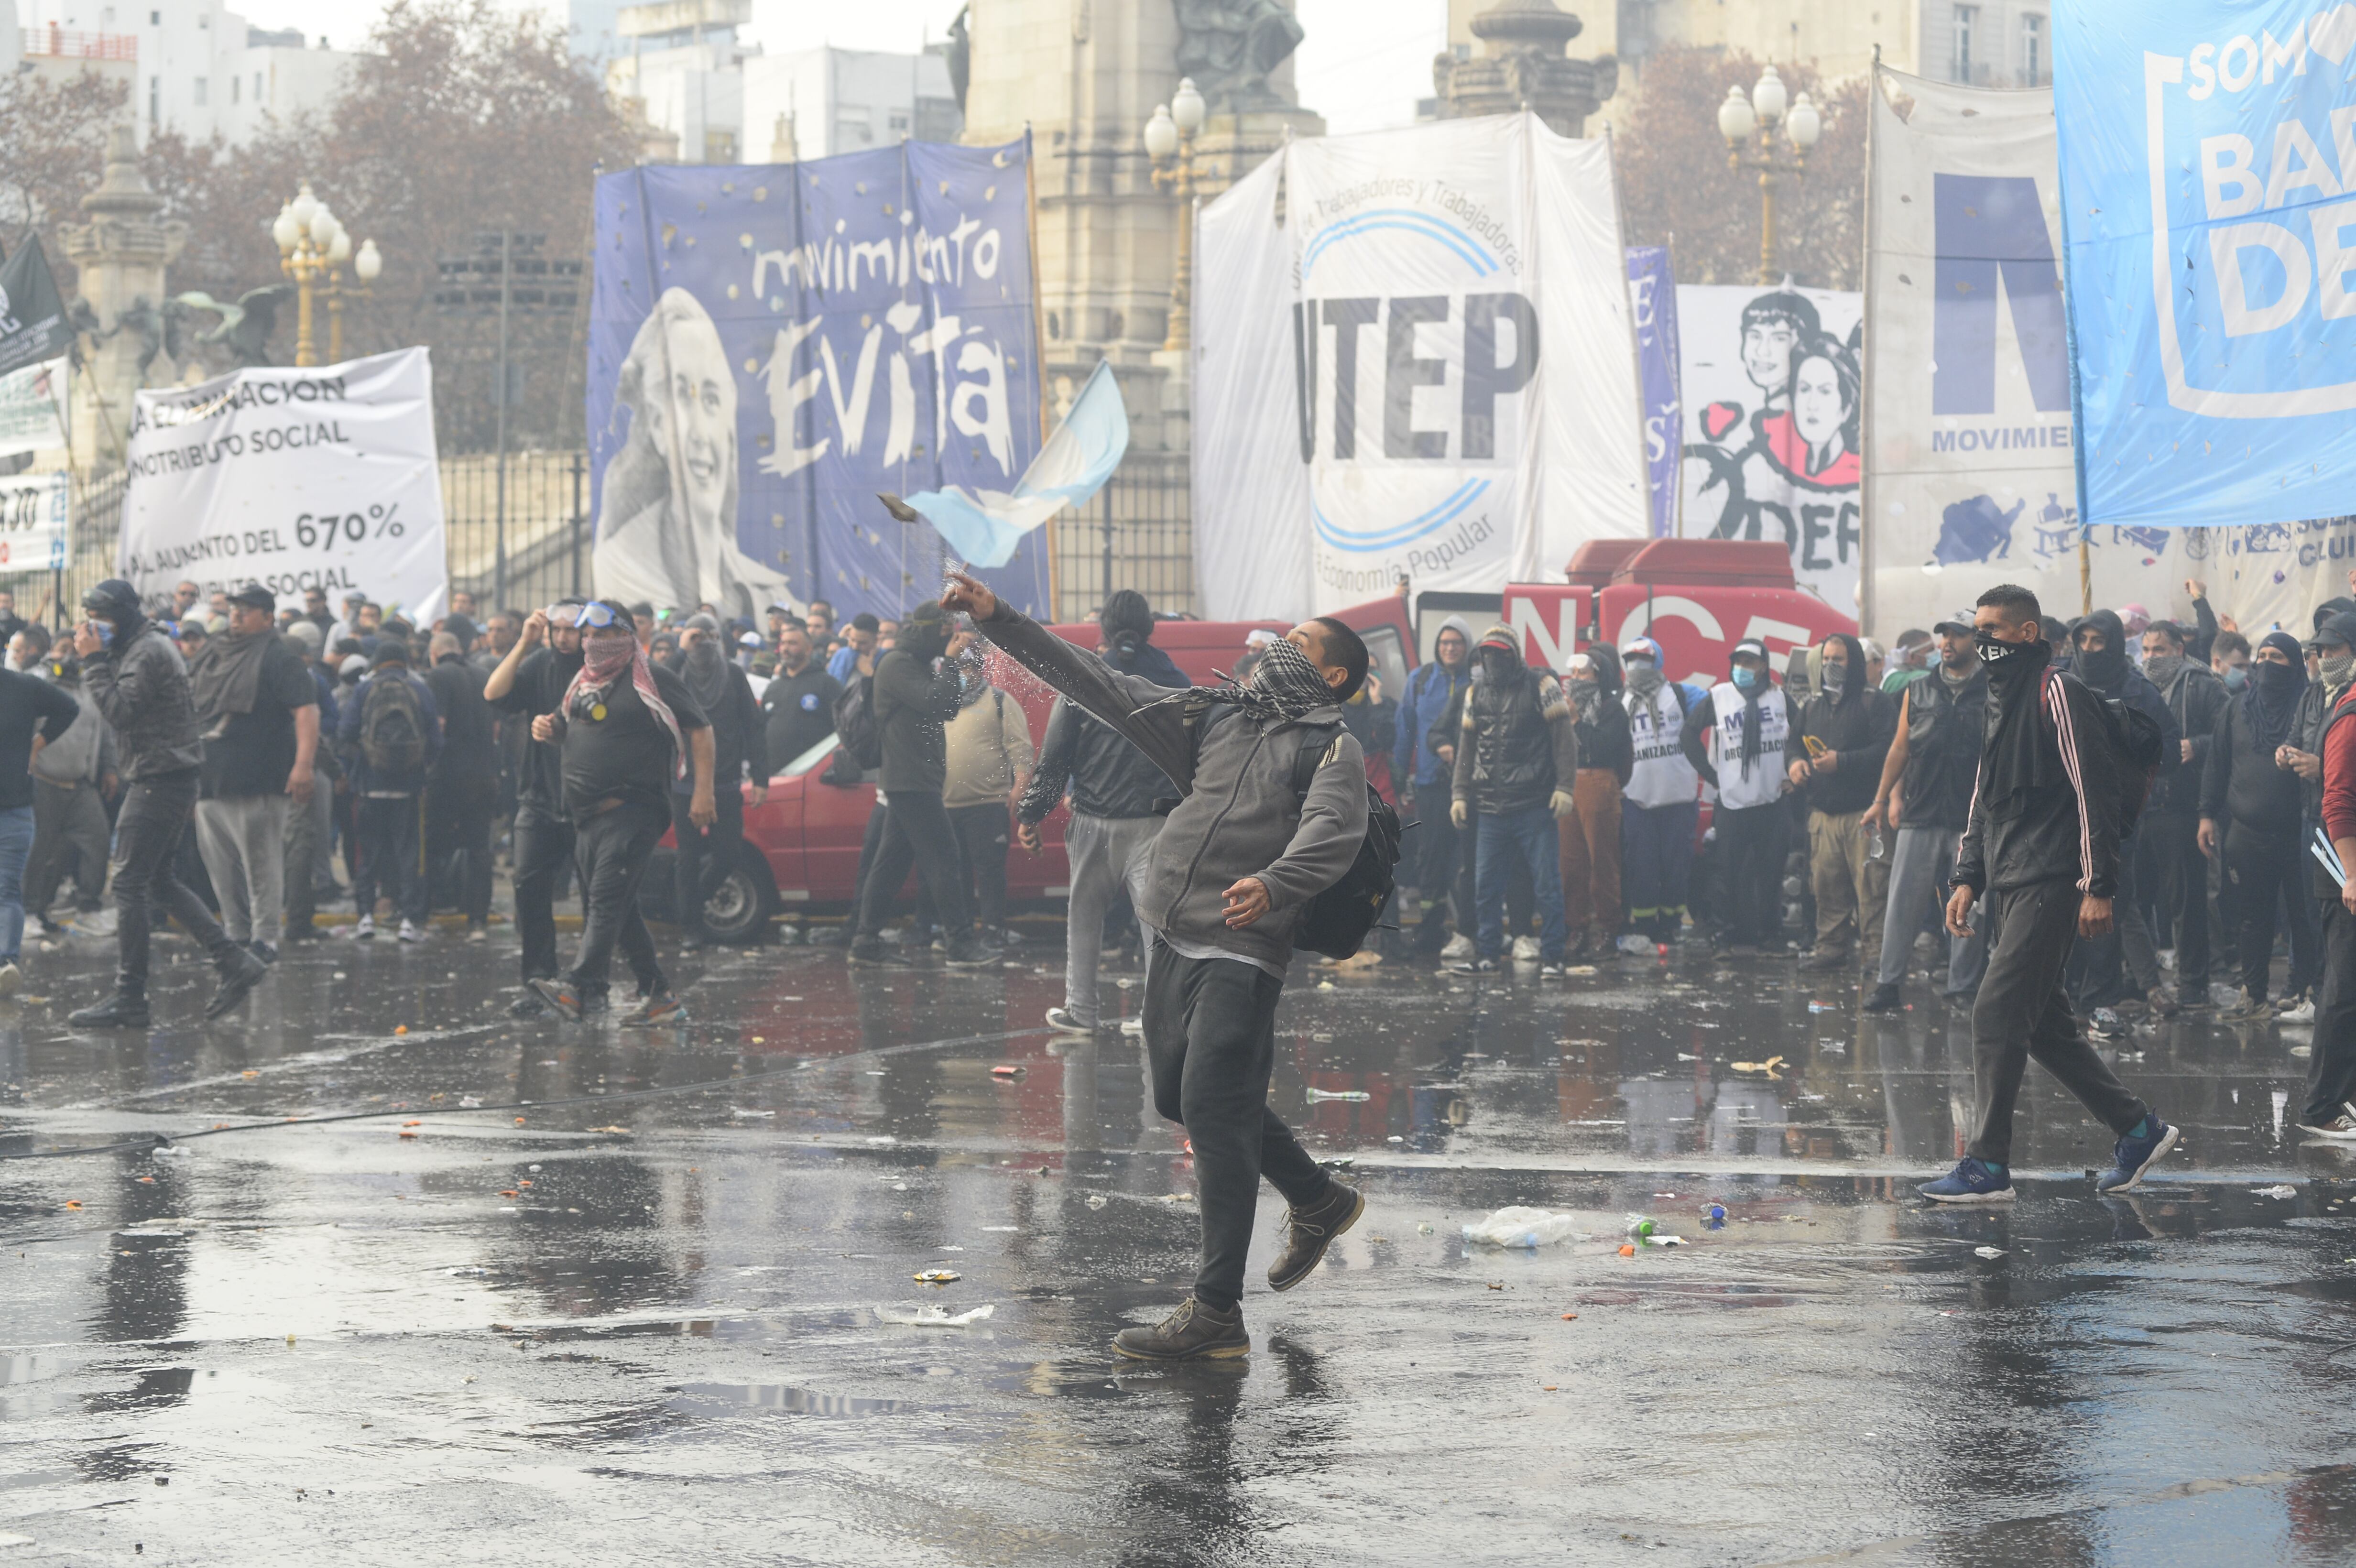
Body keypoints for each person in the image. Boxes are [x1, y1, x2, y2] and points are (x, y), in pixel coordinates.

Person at [942, 567, 1371, 1363]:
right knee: (1181, 1098)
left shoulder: (1330, 746)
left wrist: (1273, 883)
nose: (1280, 646)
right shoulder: (1214, 717)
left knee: (1213, 1105)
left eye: (1302, 642)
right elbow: (1096, 682)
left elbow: (1333, 831)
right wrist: (1001, 618)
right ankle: (1315, 1197)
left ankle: (1214, 1313)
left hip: (1241, 950)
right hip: (1170, 931)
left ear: (1333, 675)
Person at [1925, 583, 2178, 1203]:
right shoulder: (1999, 699)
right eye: (1976, 628)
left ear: (2027, 633)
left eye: (1993, 629)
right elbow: (1985, 799)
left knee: (1995, 1011)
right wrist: (1967, 876)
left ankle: (1986, 1164)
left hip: (2055, 878)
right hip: (2010, 880)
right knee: (2042, 1028)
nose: (1983, 641)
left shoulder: (2057, 691)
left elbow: (2094, 789)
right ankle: (2138, 1130)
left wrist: (2098, 884)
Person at [67, 580, 270, 1027]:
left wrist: (94, 662)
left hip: (161, 776)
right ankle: (232, 961)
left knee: (128, 883)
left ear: (120, 615)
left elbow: (120, 711)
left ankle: (130, 997)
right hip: (162, 772)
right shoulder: (138, 644)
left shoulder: (149, 651)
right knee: (158, 880)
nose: (94, 627)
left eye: (100, 619)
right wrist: (94, 656)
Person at [528, 599, 713, 1024]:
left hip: (634, 811)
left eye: (606, 635)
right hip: (588, 818)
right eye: (590, 635)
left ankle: (576, 986)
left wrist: (704, 791)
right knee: (620, 908)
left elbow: (701, 729)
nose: (595, 643)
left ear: (627, 637)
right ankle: (659, 995)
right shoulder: (583, 682)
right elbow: (564, 727)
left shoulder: (654, 680)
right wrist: (549, 728)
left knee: (607, 902)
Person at [1020, 588, 1189, 1033]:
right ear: (1151, 628)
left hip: (1095, 818)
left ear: (1105, 631)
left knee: (1085, 916)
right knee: (1157, 923)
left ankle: (1082, 1012)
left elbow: (1056, 755)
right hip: (1158, 821)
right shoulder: (1176, 679)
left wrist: (1031, 815)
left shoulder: (1085, 677)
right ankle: (1158, 1016)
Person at [593, 288, 796, 619]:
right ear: (657, 425)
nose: (702, 433)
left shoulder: (770, 593)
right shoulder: (622, 561)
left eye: (712, 400)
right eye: (684, 397)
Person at [850, 603, 996, 966]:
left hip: (916, 778)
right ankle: (960, 943)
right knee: (945, 856)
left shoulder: (916, 663)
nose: (953, 640)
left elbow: (944, 706)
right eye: (948, 633)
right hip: (910, 781)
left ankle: (865, 942)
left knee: (891, 863)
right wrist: (950, 662)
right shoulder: (897, 664)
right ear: (931, 630)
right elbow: (940, 703)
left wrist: (947, 662)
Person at [188, 582, 319, 963]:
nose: (237, 615)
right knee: (220, 869)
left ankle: (265, 938)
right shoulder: (214, 651)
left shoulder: (279, 656)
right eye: (234, 609)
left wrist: (304, 765)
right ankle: (236, 935)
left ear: (267, 616)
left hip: (258, 779)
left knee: (262, 866)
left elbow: (306, 711)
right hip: (210, 779)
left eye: (246, 609)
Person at [1863, 614, 1988, 1012]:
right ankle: (1888, 983)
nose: (1948, 642)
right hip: (1921, 811)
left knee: (1968, 905)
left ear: (1976, 641)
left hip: (1971, 819)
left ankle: (1962, 987)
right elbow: (1901, 749)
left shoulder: (1993, 690)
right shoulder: (1919, 691)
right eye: (1944, 636)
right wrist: (1884, 799)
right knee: (1904, 903)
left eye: (1958, 635)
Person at [2063, 610, 2180, 1031]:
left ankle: (2099, 1002)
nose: (2091, 650)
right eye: (2085, 641)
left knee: (2106, 916)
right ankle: (2064, 1004)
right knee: (2062, 914)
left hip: (2116, 824)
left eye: (2100, 642)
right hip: (2062, 821)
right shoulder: (2062, 682)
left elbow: (2166, 750)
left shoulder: (2139, 691)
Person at [2201, 630, 2320, 1021]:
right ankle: (2253, 996)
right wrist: (2206, 815)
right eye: (2263, 655)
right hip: (2247, 833)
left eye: (2279, 657)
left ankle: (2303, 991)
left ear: (2296, 665)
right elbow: (2217, 765)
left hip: (2298, 832)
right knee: (2253, 917)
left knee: (2303, 917)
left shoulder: (2308, 708)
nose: (2268, 664)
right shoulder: (2237, 709)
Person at [485, 601, 593, 1015]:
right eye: (557, 630)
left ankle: (588, 982)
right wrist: (524, 643)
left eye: (572, 630)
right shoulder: (537, 664)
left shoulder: (598, 670)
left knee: (594, 896)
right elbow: (493, 694)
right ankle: (538, 982)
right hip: (538, 796)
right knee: (529, 887)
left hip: (587, 802)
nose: (564, 638)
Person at [1450, 626, 1577, 975]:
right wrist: (1459, 794)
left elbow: (1563, 739)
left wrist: (1566, 787)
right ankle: (1488, 955)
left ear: (1515, 653)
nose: (1493, 658)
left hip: (1535, 805)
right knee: (1486, 888)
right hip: (1490, 809)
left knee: (1547, 885)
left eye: (1500, 651)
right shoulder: (1475, 693)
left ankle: (1553, 957)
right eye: (1487, 652)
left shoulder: (1542, 685)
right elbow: (1467, 748)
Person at [1790, 632, 1898, 973]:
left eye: (1838, 660)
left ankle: (1875, 955)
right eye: (1825, 660)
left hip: (1864, 815)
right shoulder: (1812, 705)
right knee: (1826, 888)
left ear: (1853, 663)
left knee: (1872, 890)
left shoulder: (1874, 702)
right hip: (1823, 816)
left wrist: (1843, 762)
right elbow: (1792, 744)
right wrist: (1795, 764)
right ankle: (1831, 949)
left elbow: (1889, 750)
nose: (1830, 666)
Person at [1683, 639, 1791, 954]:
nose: (1742, 668)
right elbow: (1689, 734)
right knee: (1725, 875)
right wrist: (1711, 774)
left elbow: (1802, 732)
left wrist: (1795, 772)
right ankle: (1722, 938)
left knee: (1771, 876)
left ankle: (1771, 936)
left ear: (1763, 667)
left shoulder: (1780, 697)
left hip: (1772, 801)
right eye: (1738, 661)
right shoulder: (1719, 697)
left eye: (1750, 662)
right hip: (1732, 803)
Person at [2139, 619, 2226, 1013]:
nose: (2151, 658)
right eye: (2146, 650)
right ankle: (2139, 978)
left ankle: (2193, 984)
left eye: (2159, 650)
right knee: (2139, 898)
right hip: (2142, 807)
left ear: (2178, 650)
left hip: (2182, 806)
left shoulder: (2201, 684)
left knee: (2185, 900)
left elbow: (2230, 736)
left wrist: (2199, 745)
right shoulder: (2137, 686)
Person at [670, 613, 766, 947]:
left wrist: (760, 776)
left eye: (713, 636)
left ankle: (691, 905)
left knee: (729, 854)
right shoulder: (678, 674)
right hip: (684, 782)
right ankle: (691, 929)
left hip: (726, 781)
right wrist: (683, 646)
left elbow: (753, 727)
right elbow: (654, 689)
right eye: (699, 637)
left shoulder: (734, 674)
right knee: (688, 855)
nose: (706, 643)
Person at [2280, 614, 2356, 1027]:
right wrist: (2288, 753)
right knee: (2315, 916)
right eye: (2321, 650)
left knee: (2340, 930)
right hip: (2316, 819)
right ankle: (2322, 1000)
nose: (2326, 657)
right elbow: (2296, 736)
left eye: (2335, 649)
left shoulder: (2351, 698)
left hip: (2342, 829)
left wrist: (2322, 767)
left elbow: (2345, 775)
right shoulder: (2315, 696)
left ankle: (2333, 1012)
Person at [338, 641, 442, 943]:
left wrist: (365, 757)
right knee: (409, 855)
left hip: (369, 788)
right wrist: (420, 765)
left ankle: (366, 918)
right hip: (409, 790)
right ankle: (409, 920)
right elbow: (436, 740)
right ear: (405, 662)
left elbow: (345, 733)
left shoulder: (364, 690)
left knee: (367, 856)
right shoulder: (420, 690)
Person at [0, 634, 83, 991]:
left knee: (6, 889)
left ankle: (6, 963)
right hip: (16, 806)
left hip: (14, 808)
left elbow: (69, 708)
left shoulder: (23, 686)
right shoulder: (22, 685)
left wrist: (40, 742)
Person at [941, 631, 1033, 949]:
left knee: (990, 872)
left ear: (979, 670)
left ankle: (993, 930)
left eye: (968, 670)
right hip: (946, 807)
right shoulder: (941, 703)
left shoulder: (998, 701)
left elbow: (1021, 751)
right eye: (959, 670)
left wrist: (1019, 788)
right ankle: (964, 933)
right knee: (957, 874)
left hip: (988, 804)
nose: (964, 677)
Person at [1396, 618, 1474, 961]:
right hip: (1430, 786)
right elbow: (1404, 731)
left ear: (1467, 646)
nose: (1450, 648)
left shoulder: (1479, 679)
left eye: (1457, 642)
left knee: (1468, 862)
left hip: (1472, 788)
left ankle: (1469, 931)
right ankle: (1429, 932)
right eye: (1445, 642)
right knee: (1431, 862)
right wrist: (1400, 781)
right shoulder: (1421, 680)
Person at [24, 648, 116, 939]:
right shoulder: (40, 688)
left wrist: (109, 767)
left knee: (98, 841)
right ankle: (29, 912)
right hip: (43, 782)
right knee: (37, 851)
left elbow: (103, 732)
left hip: (81, 785)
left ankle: (89, 909)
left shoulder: (89, 690)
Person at [1618, 636, 1701, 952]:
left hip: (1679, 799)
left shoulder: (1681, 695)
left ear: (1658, 661)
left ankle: (1670, 926)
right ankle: (1644, 927)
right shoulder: (1619, 702)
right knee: (1641, 867)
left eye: (1644, 658)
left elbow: (1717, 710)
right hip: (1637, 800)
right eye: (1631, 658)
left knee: (1676, 867)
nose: (1637, 665)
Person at [2305, 649, 2356, 1136]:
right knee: (2344, 988)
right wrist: (2352, 872)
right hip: (2344, 869)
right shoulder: (2350, 716)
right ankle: (2322, 1106)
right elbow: (2337, 797)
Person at [424, 630, 497, 941]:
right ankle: (477, 920)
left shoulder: (437, 676)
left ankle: (430, 910)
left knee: (435, 844)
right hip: (484, 774)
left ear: (435, 653)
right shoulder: (484, 674)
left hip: (448, 775)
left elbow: (436, 726)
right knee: (480, 848)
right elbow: (496, 727)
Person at [1560, 646, 1630, 959]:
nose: (1576, 679)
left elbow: (1603, 746)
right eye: (1573, 673)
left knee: (1603, 862)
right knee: (1571, 864)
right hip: (1569, 784)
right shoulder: (1562, 708)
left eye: (1584, 673)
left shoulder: (1612, 708)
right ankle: (1576, 927)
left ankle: (1607, 928)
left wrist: (1576, 721)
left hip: (1599, 781)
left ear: (1599, 676)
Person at [279, 621, 339, 943]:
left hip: (264, 782)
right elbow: (313, 735)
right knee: (300, 848)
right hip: (296, 780)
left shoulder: (260, 679)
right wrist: (336, 771)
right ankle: (299, 921)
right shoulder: (301, 682)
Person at [760, 623, 841, 769]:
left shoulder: (827, 684)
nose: (785, 649)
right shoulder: (773, 687)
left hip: (810, 777)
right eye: (783, 643)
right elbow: (760, 729)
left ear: (809, 649)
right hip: (774, 776)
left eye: (792, 644)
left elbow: (841, 730)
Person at [828, 612, 880, 683]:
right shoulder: (841, 655)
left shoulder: (885, 659)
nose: (855, 647)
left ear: (876, 641)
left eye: (862, 643)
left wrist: (870, 672)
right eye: (852, 640)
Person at [1882, 629, 1933, 693]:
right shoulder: (1919, 678)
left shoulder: (1891, 677)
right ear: (1912, 657)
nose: (1936, 653)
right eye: (1931, 651)